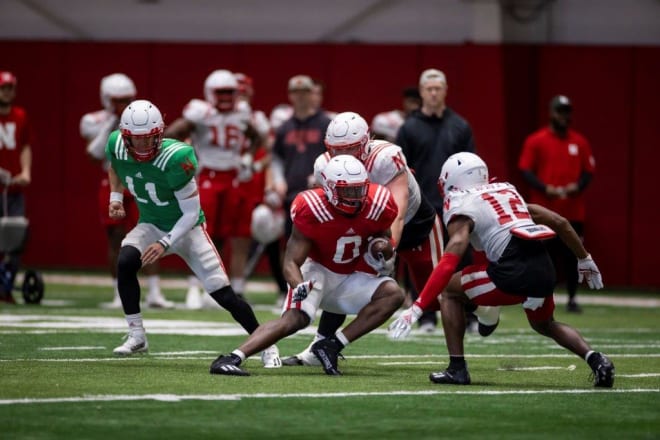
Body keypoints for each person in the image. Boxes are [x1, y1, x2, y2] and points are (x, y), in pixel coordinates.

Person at [388, 152, 614, 388]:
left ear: (452, 179)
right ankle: (598, 361)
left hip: (513, 271)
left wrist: (418, 306)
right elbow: (559, 221)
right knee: (545, 324)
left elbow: (449, 259)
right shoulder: (505, 191)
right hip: (543, 267)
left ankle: (457, 368)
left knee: (450, 290)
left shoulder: (461, 202)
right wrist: (584, 258)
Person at [106, 99, 280, 368]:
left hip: (187, 229)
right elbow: (116, 166)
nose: (141, 146)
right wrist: (115, 197)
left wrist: (165, 243)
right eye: (135, 140)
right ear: (126, 136)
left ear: (160, 134)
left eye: (148, 139)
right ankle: (137, 335)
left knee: (224, 295)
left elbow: (190, 214)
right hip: (151, 224)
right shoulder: (117, 143)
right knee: (125, 261)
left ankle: (267, 344)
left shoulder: (177, 157)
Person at [209, 155, 404, 376]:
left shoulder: (378, 203)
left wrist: (383, 246)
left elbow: (386, 239)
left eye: (359, 190)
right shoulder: (311, 208)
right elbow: (291, 260)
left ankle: (331, 345)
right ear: (329, 188)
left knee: (392, 294)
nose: (355, 197)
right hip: (316, 272)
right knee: (295, 320)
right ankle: (232, 357)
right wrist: (297, 284)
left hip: (349, 276)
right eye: (348, 191)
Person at [281, 111, 442, 366]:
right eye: (336, 150)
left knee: (438, 295)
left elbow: (397, 215)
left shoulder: (386, 158)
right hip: (367, 223)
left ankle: (478, 309)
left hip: (412, 221)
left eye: (349, 149)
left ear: (366, 143)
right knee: (346, 272)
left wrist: (388, 248)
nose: (342, 157)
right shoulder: (325, 164)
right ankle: (321, 346)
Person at [165, 70, 265, 306]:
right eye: (221, 92)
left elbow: (258, 137)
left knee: (225, 236)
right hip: (208, 176)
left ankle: (217, 288)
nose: (226, 98)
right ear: (210, 93)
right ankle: (194, 287)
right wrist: (185, 153)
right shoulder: (201, 113)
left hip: (233, 177)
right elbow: (172, 133)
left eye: (230, 92)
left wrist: (249, 157)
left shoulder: (241, 113)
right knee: (201, 232)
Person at [80, 73, 173, 309]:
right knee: (115, 238)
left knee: (152, 232)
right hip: (114, 179)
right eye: (117, 100)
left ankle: (154, 291)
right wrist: (113, 123)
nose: (123, 105)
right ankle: (117, 293)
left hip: (142, 178)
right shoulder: (93, 120)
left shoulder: (141, 115)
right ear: (107, 99)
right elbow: (94, 154)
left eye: (126, 99)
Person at [395, 68, 477, 331]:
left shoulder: (460, 125)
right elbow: (401, 170)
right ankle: (427, 315)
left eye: (437, 88)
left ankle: (469, 313)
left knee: (461, 259)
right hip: (422, 207)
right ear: (421, 92)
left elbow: (472, 166)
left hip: (456, 204)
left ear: (445, 91)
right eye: (428, 89)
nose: (433, 93)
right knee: (420, 261)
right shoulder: (409, 127)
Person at [518, 95, 596, 313]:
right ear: (551, 113)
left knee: (572, 256)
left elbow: (588, 172)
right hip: (544, 210)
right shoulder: (536, 140)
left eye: (566, 112)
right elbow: (525, 170)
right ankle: (541, 295)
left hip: (573, 211)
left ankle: (572, 298)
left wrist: (577, 187)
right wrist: (545, 188)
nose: (563, 116)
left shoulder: (579, 142)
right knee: (542, 257)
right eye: (559, 112)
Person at [270, 74, 332, 236]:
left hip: (320, 193)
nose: (300, 97)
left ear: (312, 94)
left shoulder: (325, 123)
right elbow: (276, 157)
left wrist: (322, 174)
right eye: (296, 92)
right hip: (291, 192)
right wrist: (278, 180)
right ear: (290, 95)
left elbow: (334, 154)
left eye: (304, 92)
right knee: (291, 238)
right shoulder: (285, 127)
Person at [0, 71, 32, 304]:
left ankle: (7, 285)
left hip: (13, 189)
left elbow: (25, 147)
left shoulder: (20, 116)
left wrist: (25, 172)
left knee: (16, 237)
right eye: (4, 88)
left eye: (10, 88)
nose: (7, 92)